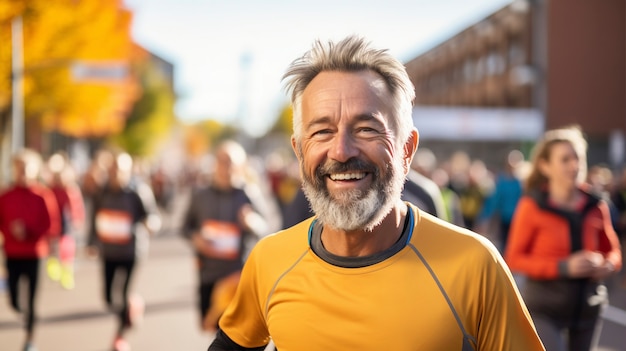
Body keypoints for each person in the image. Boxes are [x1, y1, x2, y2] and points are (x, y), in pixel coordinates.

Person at [208, 35, 545, 351]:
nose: (341, 151)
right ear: (299, 152)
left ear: (406, 149)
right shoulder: (270, 260)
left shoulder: (475, 265)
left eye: (366, 128)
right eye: (322, 131)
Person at [504, 126, 622, 351]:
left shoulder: (597, 205)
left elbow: (614, 253)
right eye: (565, 159)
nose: (574, 165)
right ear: (545, 166)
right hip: (544, 308)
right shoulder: (532, 205)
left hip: (589, 305)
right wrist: (563, 267)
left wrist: (606, 265)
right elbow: (514, 258)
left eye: (578, 158)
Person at [182, 140, 269, 332]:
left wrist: (252, 222)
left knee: (235, 331)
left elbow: (266, 228)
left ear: (240, 167)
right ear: (215, 163)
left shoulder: (248, 194)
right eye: (222, 161)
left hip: (237, 275)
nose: (225, 167)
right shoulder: (200, 195)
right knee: (211, 328)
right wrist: (195, 238)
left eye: (230, 162)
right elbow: (185, 228)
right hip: (208, 273)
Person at [87, 151, 160, 351]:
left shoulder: (138, 191)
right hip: (109, 251)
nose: (115, 172)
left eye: (120, 169)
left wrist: (150, 224)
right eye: (112, 168)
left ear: (128, 171)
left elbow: (152, 216)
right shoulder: (102, 191)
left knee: (124, 293)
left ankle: (119, 336)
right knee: (109, 298)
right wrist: (91, 242)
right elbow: (94, 217)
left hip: (131, 251)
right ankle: (132, 306)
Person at [0, 149, 61, 351]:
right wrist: (10, 232)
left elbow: (51, 225)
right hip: (12, 253)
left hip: (35, 254)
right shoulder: (6, 196)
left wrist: (29, 231)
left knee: (33, 300)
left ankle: (30, 340)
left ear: (35, 171)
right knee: (15, 300)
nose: (22, 172)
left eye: (26, 168)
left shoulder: (43, 195)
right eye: (19, 168)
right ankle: (23, 312)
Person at [43, 152, 86, 290]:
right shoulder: (49, 190)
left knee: (67, 247)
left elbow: (77, 205)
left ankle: (67, 273)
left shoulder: (71, 189)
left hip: (67, 221)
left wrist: (78, 219)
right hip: (52, 220)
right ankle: (53, 267)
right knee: (52, 246)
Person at [474, 150, 524, 252]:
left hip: (517, 218)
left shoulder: (520, 183)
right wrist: (485, 217)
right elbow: (494, 200)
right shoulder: (501, 181)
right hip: (504, 218)